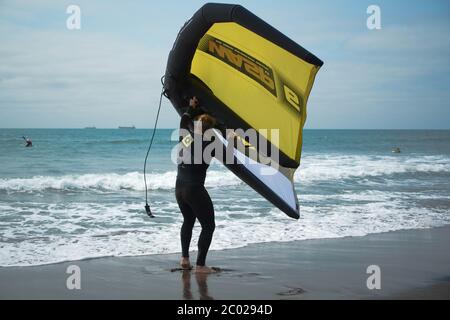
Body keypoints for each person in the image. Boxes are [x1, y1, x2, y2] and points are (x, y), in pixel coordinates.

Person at [175, 96, 219, 274]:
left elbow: (184, 120)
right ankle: (201, 266)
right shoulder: (211, 144)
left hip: (179, 188)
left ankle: (185, 259)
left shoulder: (186, 138)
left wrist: (191, 108)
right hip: (194, 189)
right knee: (208, 226)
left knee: (188, 220)